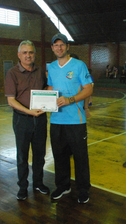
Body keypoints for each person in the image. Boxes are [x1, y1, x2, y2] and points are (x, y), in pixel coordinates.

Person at [48, 33, 93, 204]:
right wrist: (45, 102)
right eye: (55, 45)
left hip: (76, 120)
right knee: (59, 156)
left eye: (62, 45)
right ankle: (63, 186)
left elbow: (88, 89)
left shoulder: (79, 65)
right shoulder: (51, 67)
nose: (59, 48)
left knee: (80, 157)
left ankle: (83, 189)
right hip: (56, 120)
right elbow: (51, 87)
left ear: (67, 47)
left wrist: (70, 99)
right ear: (52, 48)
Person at [5, 40, 49, 201]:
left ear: (34, 55)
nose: (28, 55)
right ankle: (23, 187)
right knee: (22, 156)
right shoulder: (12, 73)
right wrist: (29, 111)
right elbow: (11, 100)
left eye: (31, 52)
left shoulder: (40, 71)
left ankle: (38, 183)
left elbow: (46, 89)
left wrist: (48, 99)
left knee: (40, 154)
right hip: (22, 120)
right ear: (19, 55)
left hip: (40, 120)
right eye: (25, 52)